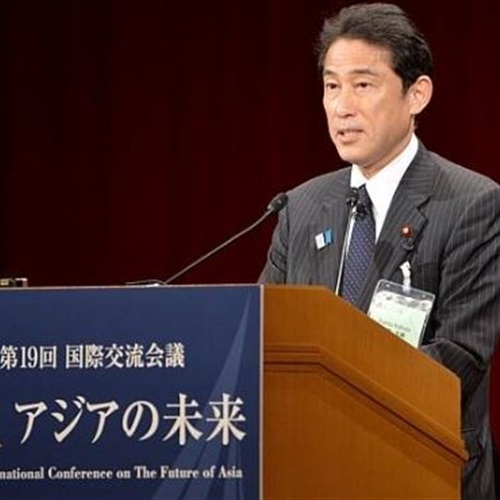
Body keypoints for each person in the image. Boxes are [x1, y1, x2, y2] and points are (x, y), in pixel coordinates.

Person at [258, 3, 500, 499]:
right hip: (307, 472)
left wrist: (336, 393)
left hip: (420, 468)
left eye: (363, 85)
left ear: (417, 94)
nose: (341, 107)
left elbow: (461, 354)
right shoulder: (301, 207)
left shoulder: (472, 203)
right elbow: (266, 337)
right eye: (331, 86)